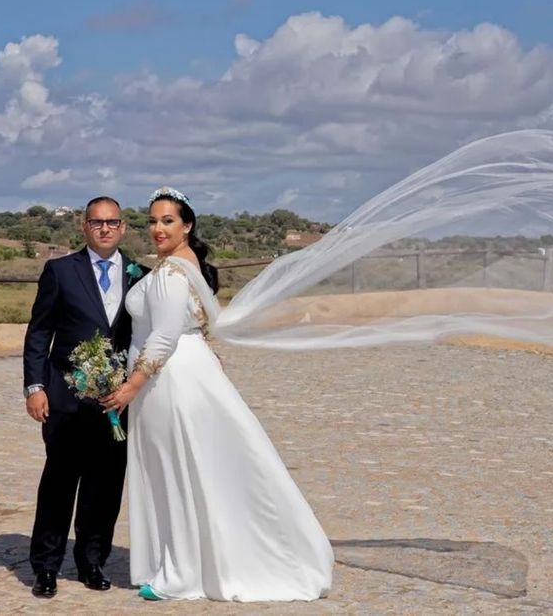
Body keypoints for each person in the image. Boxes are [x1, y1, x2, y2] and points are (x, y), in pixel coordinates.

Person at [101, 187, 334, 602]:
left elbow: (165, 336)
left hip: (168, 380)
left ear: (186, 225)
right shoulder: (182, 265)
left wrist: (130, 388)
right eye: (153, 221)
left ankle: (182, 571)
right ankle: (180, 560)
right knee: (188, 466)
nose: (157, 228)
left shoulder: (172, 272)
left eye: (167, 221)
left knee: (177, 468)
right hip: (181, 373)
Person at [23, 196, 147, 598]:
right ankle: (45, 567)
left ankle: (92, 562)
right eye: (97, 222)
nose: (105, 229)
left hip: (117, 401)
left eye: (112, 222)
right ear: (84, 226)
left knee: (105, 485)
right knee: (59, 483)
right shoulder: (60, 271)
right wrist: (34, 386)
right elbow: (39, 332)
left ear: (124, 227)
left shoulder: (141, 275)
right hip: (65, 397)